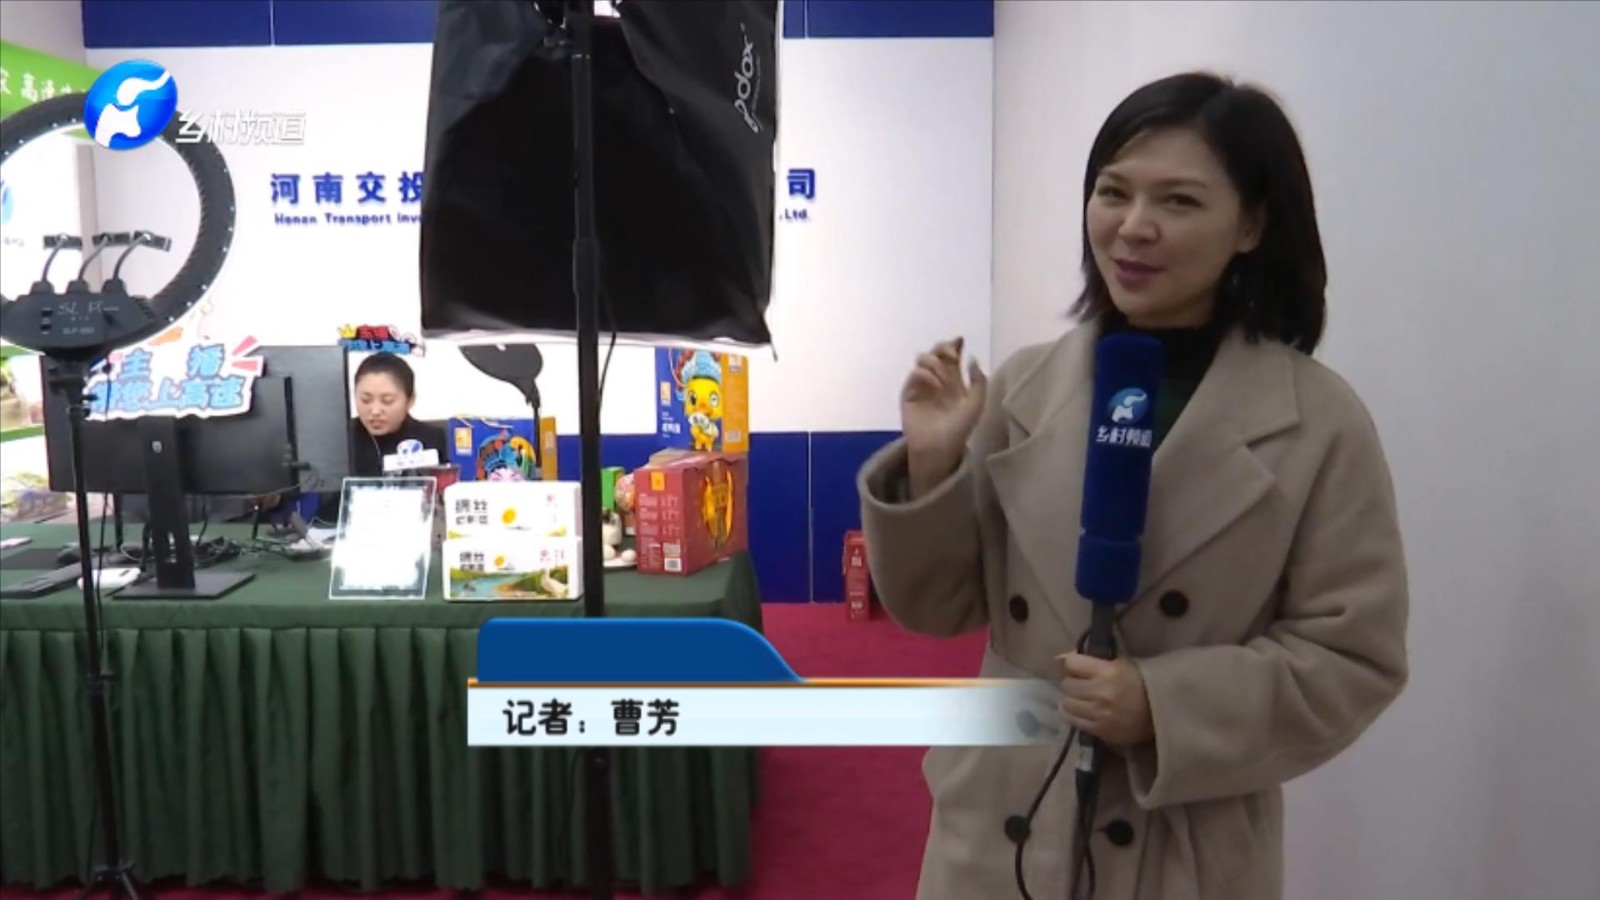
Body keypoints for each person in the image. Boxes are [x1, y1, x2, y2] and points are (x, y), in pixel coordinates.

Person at [857, 72, 1409, 900]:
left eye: (1179, 202)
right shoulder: (1025, 386)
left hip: (1184, 841)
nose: (1133, 227)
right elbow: (937, 608)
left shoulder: (1318, 422)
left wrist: (1162, 705)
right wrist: (932, 464)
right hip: (1002, 819)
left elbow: (1353, 657)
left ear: (1252, 224)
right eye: (1113, 192)